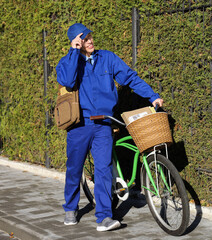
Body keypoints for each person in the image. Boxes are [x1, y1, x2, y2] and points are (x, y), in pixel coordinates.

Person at [56, 23, 163, 232]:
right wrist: (73, 52)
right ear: (75, 41)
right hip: (79, 124)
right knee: (75, 168)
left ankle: (104, 217)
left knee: (104, 168)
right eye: (84, 38)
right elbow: (67, 80)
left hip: (103, 122)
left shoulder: (107, 58)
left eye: (90, 37)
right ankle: (70, 208)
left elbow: (130, 77)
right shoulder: (68, 61)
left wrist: (153, 96)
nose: (89, 41)